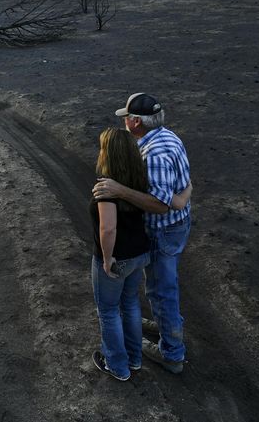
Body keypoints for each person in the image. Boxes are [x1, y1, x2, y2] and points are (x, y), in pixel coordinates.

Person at [93, 93, 192, 374]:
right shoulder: (167, 136)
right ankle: (162, 327)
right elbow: (180, 185)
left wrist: (119, 190)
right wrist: (185, 196)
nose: (124, 120)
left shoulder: (154, 156)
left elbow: (160, 206)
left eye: (126, 116)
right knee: (158, 287)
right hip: (178, 222)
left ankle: (172, 354)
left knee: (162, 291)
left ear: (135, 122)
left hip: (164, 230)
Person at [89, 127, 152, 382]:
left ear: (108, 153)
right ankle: (135, 360)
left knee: (108, 310)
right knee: (130, 305)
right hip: (140, 253)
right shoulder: (138, 179)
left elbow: (108, 228)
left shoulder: (106, 186)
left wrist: (106, 259)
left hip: (118, 259)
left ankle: (117, 365)